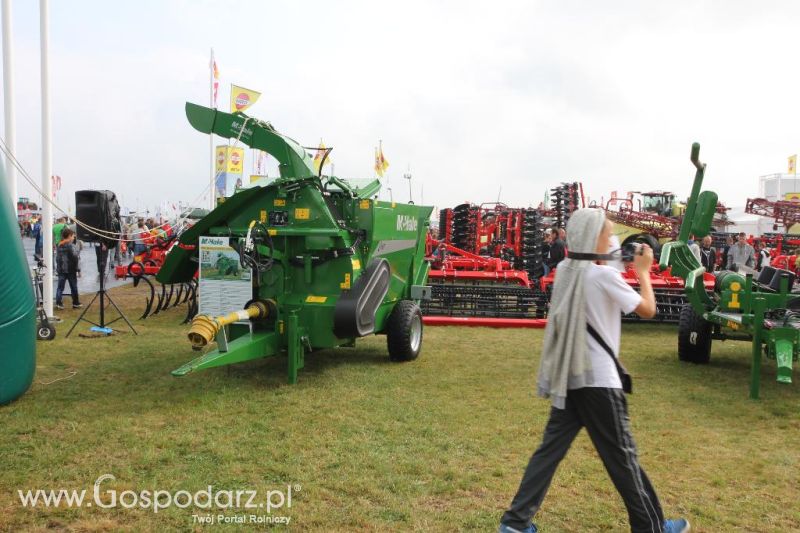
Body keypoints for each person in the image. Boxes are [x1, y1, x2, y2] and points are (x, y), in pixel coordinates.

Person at [498, 208, 690, 533]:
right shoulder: (602, 277)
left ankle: (515, 524)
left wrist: (621, 260)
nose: (614, 238)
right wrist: (643, 272)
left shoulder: (566, 270)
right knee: (623, 459)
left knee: (549, 452)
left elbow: (600, 265)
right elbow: (648, 309)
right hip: (600, 382)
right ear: (595, 238)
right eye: (609, 232)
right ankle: (652, 528)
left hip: (570, 376)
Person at [55, 227, 82, 310]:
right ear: (69, 236)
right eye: (73, 236)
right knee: (73, 287)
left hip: (61, 269)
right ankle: (75, 303)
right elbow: (75, 258)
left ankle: (59, 303)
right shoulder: (71, 246)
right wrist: (78, 270)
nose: (74, 237)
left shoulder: (59, 245)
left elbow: (57, 259)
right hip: (71, 270)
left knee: (60, 287)